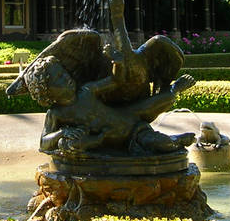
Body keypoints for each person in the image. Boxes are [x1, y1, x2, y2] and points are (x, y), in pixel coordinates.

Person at [26, 55, 196, 156]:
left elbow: (115, 81)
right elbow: (43, 143)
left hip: (131, 123)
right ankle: (175, 139)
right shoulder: (56, 114)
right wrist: (62, 132)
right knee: (164, 145)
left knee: (156, 105)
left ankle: (174, 89)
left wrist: (117, 63)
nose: (67, 78)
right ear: (46, 92)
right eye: (59, 79)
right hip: (121, 140)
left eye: (63, 73)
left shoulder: (86, 91)